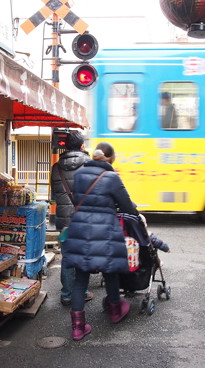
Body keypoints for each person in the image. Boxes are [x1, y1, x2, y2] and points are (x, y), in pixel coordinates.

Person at [63, 142, 139, 341]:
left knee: (81, 278)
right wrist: (133, 208)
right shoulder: (112, 177)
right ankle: (115, 310)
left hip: (80, 228)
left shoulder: (79, 174)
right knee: (110, 271)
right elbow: (127, 206)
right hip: (105, 230)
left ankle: (78, 328)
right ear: (111, 158)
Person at [49, 130, 93, 306]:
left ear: (65, 147)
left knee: (67, 258)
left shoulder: (56, 167)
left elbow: (55, 196)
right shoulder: (90, 165)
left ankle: (66, 294)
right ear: (82, 146)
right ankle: (81, 292)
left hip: (65, 223)